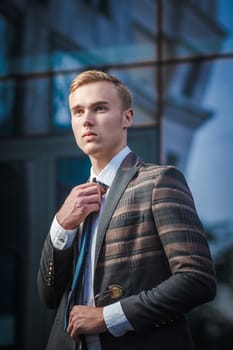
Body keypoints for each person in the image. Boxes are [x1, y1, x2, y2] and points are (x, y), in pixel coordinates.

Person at [37, 69, 216, 350]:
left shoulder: (159, 181)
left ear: (127, 117)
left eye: (99, 108)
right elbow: (48, 296)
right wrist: (61, 224)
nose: (86, 120)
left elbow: (197, 280)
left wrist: (108, 317)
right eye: (77, 111)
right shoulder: (72, 202)